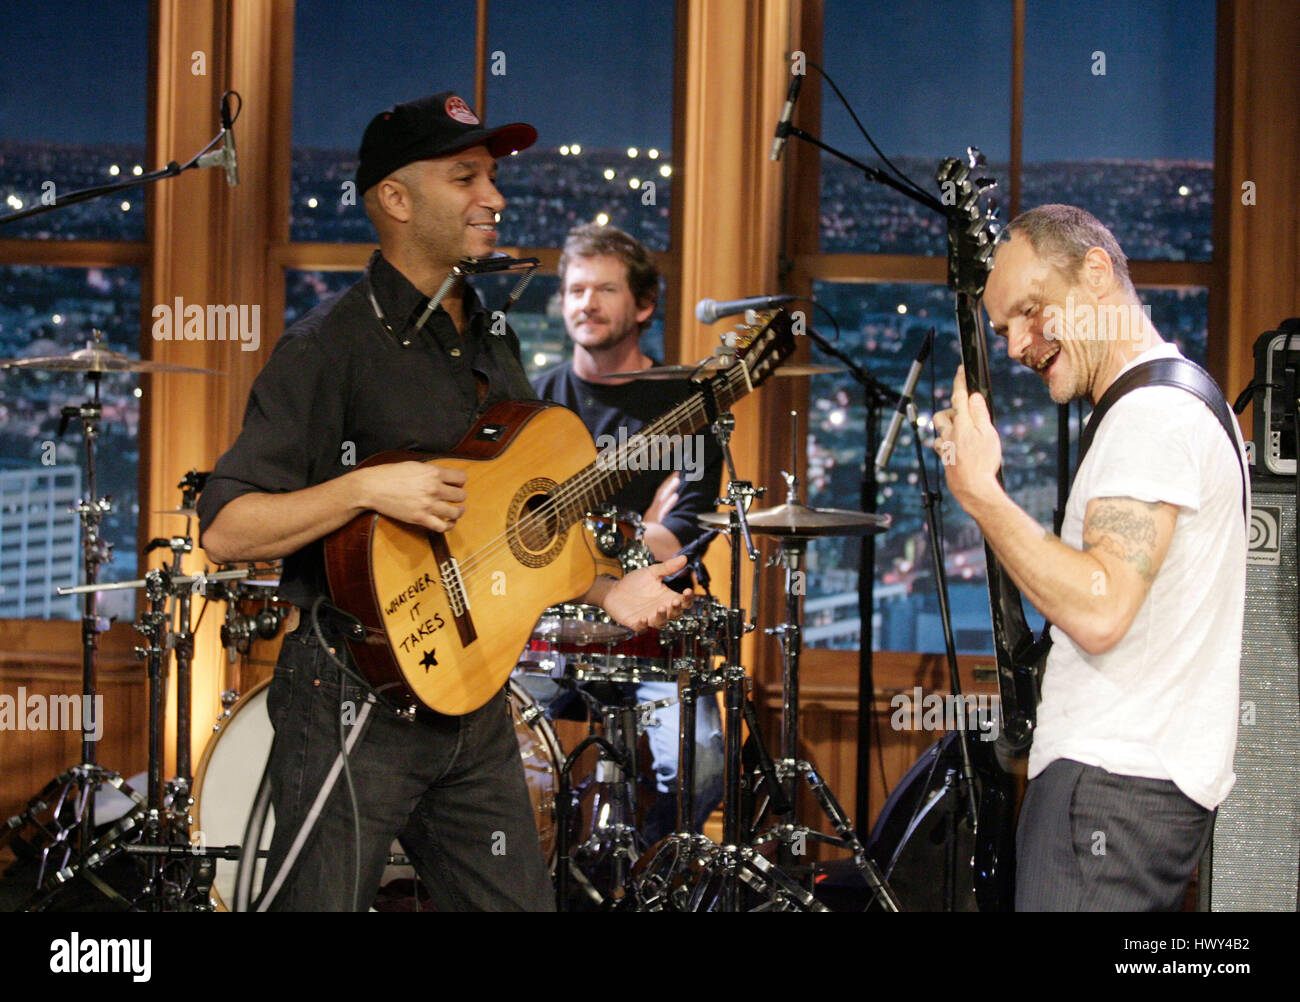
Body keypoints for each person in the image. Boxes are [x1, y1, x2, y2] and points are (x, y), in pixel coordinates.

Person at [197, 92, 691, 912]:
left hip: (474, 701)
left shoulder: (488, 339)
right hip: (353, 701)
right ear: (395, 199)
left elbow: (519, 527)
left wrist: (609, 587)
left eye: (492, 177)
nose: (493, 198)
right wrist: (362, 486)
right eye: (465, 177)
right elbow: (225, 527)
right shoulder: (329, 348)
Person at [931, 204, 1246, 911]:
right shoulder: (1181, 399)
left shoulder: (1150, 420)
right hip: (1134, 797)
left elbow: (1101, 609)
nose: (1017, 345)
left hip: (1107, 792)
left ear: (1097, 272)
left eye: (1032, 312)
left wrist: (980, 495)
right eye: (1006, 327)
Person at [527, 223, 725, 843]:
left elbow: (681, 538)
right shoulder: (538, 404)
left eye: (605, 289)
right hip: (554, 624)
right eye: (575, 289)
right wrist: (639, 525)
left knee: (702, 768)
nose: (586, 303)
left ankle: (645, 875)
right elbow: (526, 529)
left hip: (653, 627)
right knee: (492, 750)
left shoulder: (683, 402)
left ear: (641, 306)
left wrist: (600, 529)